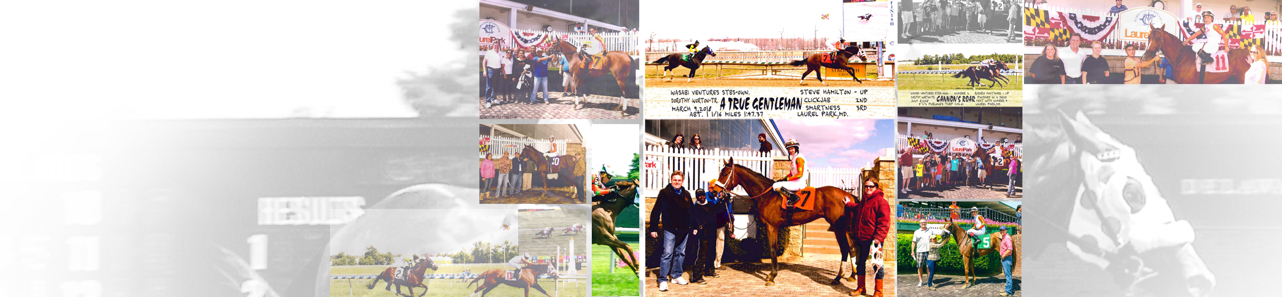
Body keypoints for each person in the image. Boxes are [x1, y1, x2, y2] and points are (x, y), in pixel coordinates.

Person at [649, 171, 693, 292]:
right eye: (675, 180)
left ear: (682, 181)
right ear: (671, 180)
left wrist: (694, 227)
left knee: (680, 253)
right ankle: (663, 280)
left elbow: (692, 212)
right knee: (667, 254)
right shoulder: (664, 193)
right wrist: (653, 228)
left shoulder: (686, 194)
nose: (677, 182)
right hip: (670, 229)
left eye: (679, 180)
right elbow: (656, 210)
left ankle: (676, 275)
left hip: (684, 230)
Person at [848, 178, 890, 297]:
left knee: (877, 265)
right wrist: (848, 204)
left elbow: (884, 222)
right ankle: (861, 288)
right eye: (866, 186)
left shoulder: (881, 202)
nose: (868, 188)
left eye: (871, 186)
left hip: (875, 240)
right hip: (862, 238)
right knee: (860, 263)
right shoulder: (864, 201)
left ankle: (878, 292)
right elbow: (858, 209)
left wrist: (878, 238)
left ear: (876, 187)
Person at [689, 187, 718, 285]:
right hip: (702, 234)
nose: (701, 197)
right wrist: (694, 229)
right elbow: (692, 220)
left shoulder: (711, 205)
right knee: (702, 255)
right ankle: (696, 276)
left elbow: (719, 210)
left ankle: (709, 271)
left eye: (702, 195)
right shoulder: (695, 208)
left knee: (711, 252)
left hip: (712, 232)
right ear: (696, 197)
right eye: (699, 196)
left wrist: (723, 199)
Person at [773, 139, 808, 207]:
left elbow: (799, 175)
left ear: (796, 148)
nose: (790, 150)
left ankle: (794, 197)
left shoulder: (799, 158)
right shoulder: (794, 158)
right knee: (776, 183)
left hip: (799, 183)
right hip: (795, 182)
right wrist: (782, 179)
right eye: (789, 149)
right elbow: (791, 174)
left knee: (775, 186)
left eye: (792, 148)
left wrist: (787, 179)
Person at [911, 219, 932, 287]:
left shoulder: (930, 231)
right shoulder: (916, 232)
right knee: (920, 267)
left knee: (928, 267)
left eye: (925, 222)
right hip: (919, 252)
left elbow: (934, 241)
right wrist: (912, 251)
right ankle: (921, 281)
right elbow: (913, 242)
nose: (923, 223)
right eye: (922, 222)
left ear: (926, 223)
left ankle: (929, 281)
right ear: (920, 224)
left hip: (929, 251)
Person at [483, 42, 503, 108]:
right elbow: (484, 61)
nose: (496, 46)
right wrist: (484, 71)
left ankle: (493, 99)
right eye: (495, 45)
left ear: (499, 46)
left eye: (497, 45)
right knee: (489, 86)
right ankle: (488, 101)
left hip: (497, 70)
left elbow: (501, 63)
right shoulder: (489, 52)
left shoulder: (500, 53)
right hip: (490, 70)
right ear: (493, 46)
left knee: (495, 86)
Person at [998, 226, 1015, 296]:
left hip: (1006, 258)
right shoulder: (1004, 237)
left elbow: (1010, 249)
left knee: (1008, 276)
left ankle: (1008, 292)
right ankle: (1007, 289)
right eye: (1000, 230)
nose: (1002, 231)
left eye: (1003, 230)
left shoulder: (1007, 238)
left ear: (1006, 230)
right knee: (1007, 275)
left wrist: (1004, 255)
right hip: (1005, 258)